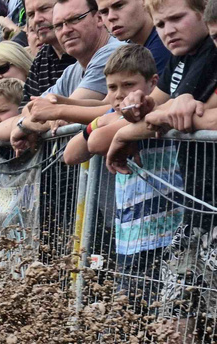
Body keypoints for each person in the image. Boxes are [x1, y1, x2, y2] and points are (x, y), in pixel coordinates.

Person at [64, 43, 178, 311]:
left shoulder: (154, 111)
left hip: (168, 237)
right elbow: (71, 154)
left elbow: (97, 142)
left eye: (128, 85)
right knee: (128, 322)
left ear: (152, 83)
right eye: (112, 87)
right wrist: (97, 123)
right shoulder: (110, 115)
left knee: (158, 322)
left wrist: (109, 126)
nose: (118, 94)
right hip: (129, 239)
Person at [99, 0, 173, 80]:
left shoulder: (165, 44)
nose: (110, 17)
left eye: (119, 6)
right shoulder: (130, 47)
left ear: (144, 2)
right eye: (104, 12)